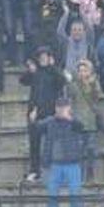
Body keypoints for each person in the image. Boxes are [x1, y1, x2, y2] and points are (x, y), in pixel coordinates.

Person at [42, 97, 87, 207]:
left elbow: (82, 127)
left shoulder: (74, 122)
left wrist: (69, 119)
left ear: (69, 108)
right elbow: (36, 127)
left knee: (76, 197)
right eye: (59, 107)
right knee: (52, 198)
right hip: (55, 165)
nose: (61, 110)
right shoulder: (50, 122)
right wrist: (32, 120)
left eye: (64, 107)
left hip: (73, 164)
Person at [21, 46, 68, 181]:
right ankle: (35, 171)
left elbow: (62, 81)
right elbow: (22, 81)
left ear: (49, 58)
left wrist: (53, 67)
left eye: (45, 56)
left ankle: (57, 172)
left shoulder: (54, 72)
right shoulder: (35, 72)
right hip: (35, 113)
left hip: (52, 113)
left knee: (54, 144)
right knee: (34, 144)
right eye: (40, 57)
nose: (43, 59)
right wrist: (30, 71)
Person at [69, 60, 103, 182]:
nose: (82, 73)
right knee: (79, 150)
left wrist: (91, 84)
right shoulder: (73, 84)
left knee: (91, 149)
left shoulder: (94, 84)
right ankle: (79, 174)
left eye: (85, 70)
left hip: (91, 121)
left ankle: (90, 173)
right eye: (80, 71)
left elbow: (96, 98)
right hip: (78, 121)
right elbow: (71, 96)